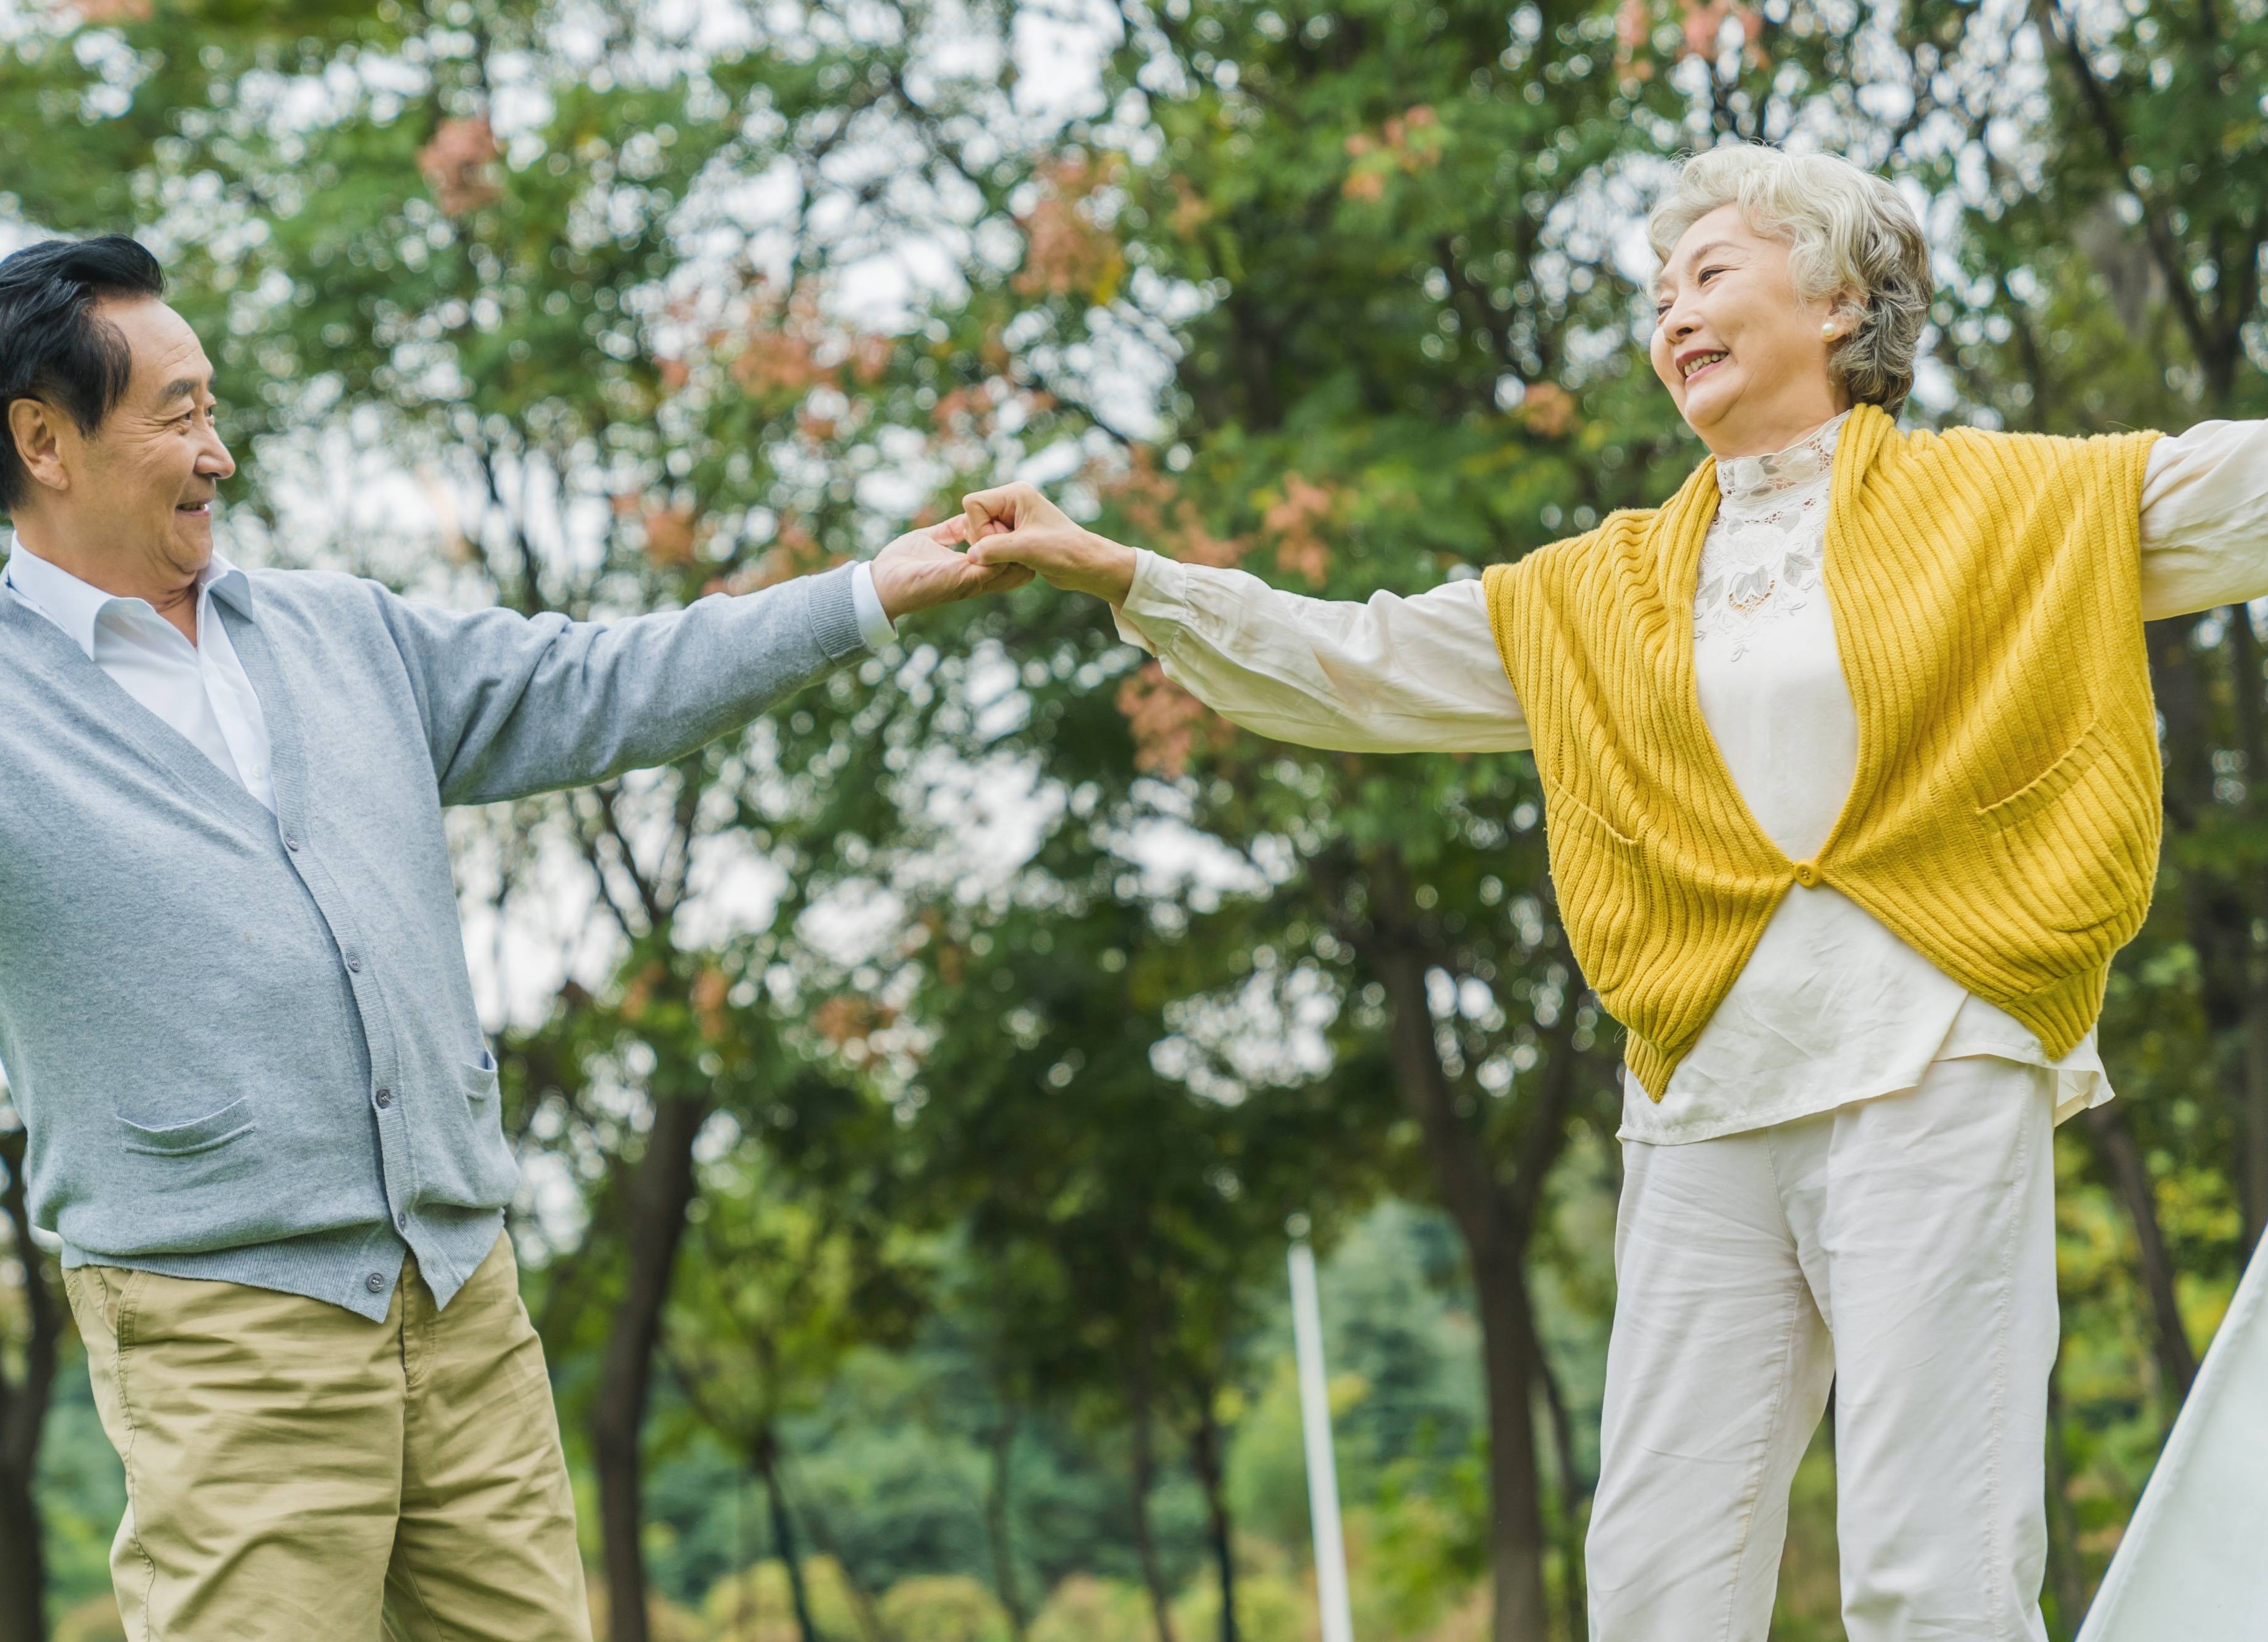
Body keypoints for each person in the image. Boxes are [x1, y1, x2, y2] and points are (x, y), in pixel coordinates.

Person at [957, 144, 2268, 1640]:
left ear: (1840, 304)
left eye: (1711, 273)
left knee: (1931, 1575)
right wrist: (1129, 574)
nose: (1674, 317)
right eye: (1660, 297)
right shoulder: (1608, 585)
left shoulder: (2017, 501)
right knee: (1654, 1581)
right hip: (1703, 1098)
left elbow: (2244, 490)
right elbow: (1360, 660)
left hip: (1932, 1065)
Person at [0, 234, 1017, 1641]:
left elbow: (599, 683)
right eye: (182, 412)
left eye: (215, 409)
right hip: (223, 1327)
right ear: (45, 440)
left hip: (463, 1297)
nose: (222, 453)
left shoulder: (345, 634)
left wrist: (862, 592)